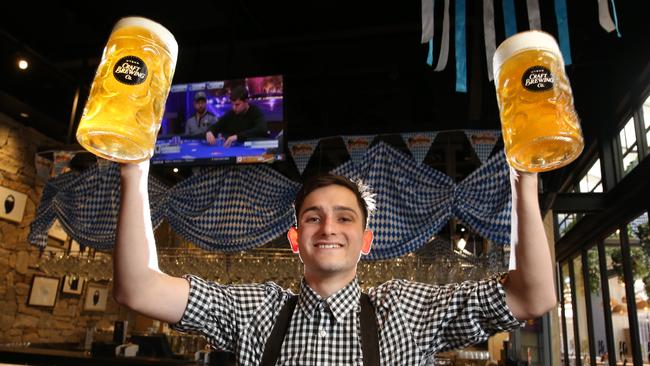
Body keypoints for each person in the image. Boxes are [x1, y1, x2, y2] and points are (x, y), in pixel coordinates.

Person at [114, 162, 556, 365]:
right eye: (313, 217)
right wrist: (134, 172)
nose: (328, 227)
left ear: (365, 241)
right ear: (295, 239)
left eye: (344, 218)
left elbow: (531, 295)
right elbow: (139, 288)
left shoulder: (406, 310)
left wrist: (526, 182)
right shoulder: (255, 310)